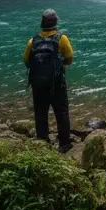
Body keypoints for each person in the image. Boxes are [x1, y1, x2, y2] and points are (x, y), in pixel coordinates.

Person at [23, 9, 74, 152]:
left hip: (38, 84)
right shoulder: (61, 38)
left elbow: (26, 60)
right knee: (61, 112)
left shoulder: (33, 41)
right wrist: (59, 64)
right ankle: (64, 143)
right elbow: (69, 58)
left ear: (42, 23)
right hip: (56, 83)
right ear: (56, 22)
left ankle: (43, 140)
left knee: (40, 111)